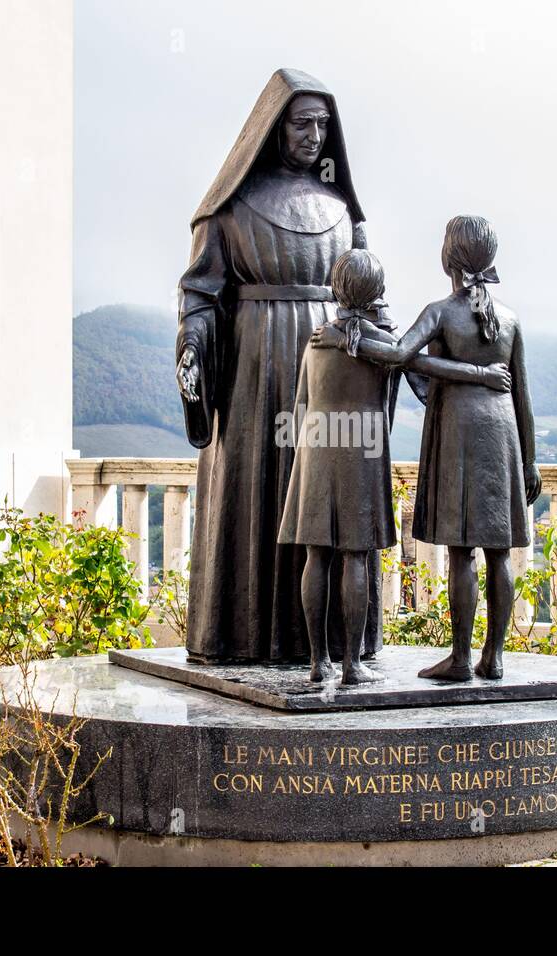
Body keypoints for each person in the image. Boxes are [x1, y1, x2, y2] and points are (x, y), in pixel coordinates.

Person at [173, 69, 380, 664]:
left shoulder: (344, 211)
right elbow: (200, 294)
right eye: (301, 122)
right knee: (254, 482)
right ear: (274, 127)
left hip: (333, 367)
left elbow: (373, 295)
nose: (314, 134)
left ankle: (330, 644)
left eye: (322, 124)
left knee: (327, 494)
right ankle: (242, 634)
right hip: (251, 367)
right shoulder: (229, 208)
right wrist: (192, 346)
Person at [312, 216, 541, 681]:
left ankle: (461, 658)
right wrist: (530, 460)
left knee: (462, 551)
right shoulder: (511, 319)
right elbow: (523, 396)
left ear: (449, 259)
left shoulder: (440, 311)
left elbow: (399, 355)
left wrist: (345, 336)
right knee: (498, 551)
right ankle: (493, 658)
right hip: (503, 435)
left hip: (459, 429)